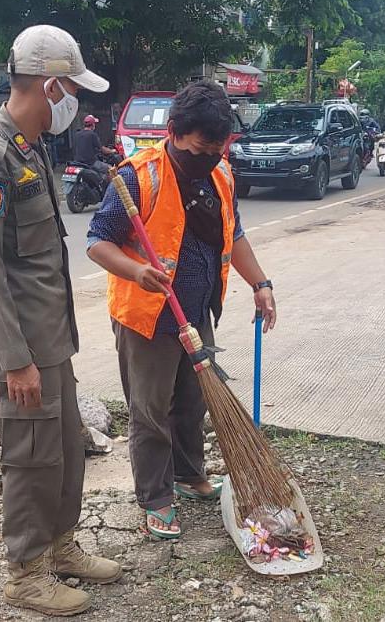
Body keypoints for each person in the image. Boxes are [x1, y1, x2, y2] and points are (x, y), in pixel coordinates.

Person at [0, 24, 121, 617]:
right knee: (29, 458)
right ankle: (25, 574)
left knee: (65, 451)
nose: (75, 101)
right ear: (50, 86)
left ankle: (61, 547)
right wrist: (16, 358)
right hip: (22, 347)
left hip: (53, 341)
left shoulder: (30, 150)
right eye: (72, 88)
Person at [86, 81, 277, 540]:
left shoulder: (221, 174)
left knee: (193, 401)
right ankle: (156, 497)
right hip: (146, 317)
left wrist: (261, 283)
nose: (206, 159)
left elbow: (236, 235)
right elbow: (97, 242)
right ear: (172, 132)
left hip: (196, 312)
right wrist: (135, 272)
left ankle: (190, 475)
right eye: (197, 151)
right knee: (150, 411)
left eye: (216, 150)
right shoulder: (138, 176)